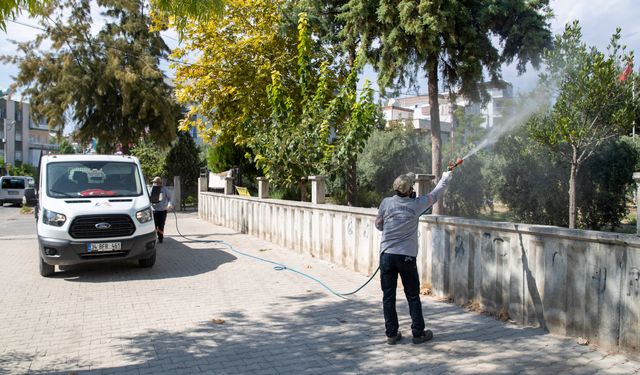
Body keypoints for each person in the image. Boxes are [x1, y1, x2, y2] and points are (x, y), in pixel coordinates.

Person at [375, 171, 452, 345]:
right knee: (412, 296)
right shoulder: (417, 204)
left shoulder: (386, 203)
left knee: (388, 297)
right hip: (406, 257)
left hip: (386, 255)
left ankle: (391, 335)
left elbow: (378, 225)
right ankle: (418, 334)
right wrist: (445, 177)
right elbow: (435, 194)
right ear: (410, 189)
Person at [150, 176, 171, 243]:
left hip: (162, 210)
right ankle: (154, 238)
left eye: (156, 182)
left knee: (161, 225)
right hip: (154, 210)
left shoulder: (164, 189)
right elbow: (148, 199)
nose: (155, 184)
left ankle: (160, 238)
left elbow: (170, 198)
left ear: (160, 183)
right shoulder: (151, 189)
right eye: (154, 182)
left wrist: (169, 204)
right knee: (154, 225)